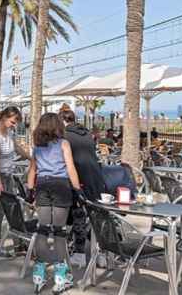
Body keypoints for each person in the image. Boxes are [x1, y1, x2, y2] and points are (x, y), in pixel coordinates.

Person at [27, 113, 82, 293]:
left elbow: (32, 171)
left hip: (42, 185)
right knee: (59, 232)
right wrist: (78, 190)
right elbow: (70, 167)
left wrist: (30, 190)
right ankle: (60, 277)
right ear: (58, 125)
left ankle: (39, 275)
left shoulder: (38, 147)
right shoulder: (63, 144)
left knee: (42, 230)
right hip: (60, 185)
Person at [58, 108, 107, 269]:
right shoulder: (86, 134)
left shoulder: (65, 136)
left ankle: (79, 255)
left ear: (63, 121)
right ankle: (101, 255)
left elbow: (66, 162)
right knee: (95, 220)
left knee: (78, 218)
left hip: (80, 181)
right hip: (97, 180)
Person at [0, 106, 31, 257]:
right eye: (12, 121)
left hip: (7, 174)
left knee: (13, 209)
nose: (14, 125)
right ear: (4, 117)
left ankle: (19, 245)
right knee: (0, 211)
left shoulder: (8, 132)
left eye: (16, 122)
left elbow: (16, 147)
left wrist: (31, 158)